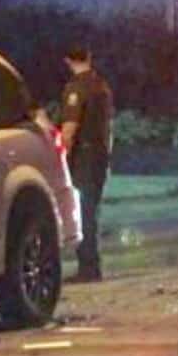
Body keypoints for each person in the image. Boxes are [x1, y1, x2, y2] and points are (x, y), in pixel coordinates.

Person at [58, 46, 114, 282]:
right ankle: (91, 264)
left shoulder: (76, 88)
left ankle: (88, 267)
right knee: (91, 210)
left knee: (83, 212)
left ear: (68, 60)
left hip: (83, 157)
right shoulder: (102, 86)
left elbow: (70, 128)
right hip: (100, 154)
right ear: (89, 58)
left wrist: (61, 156)